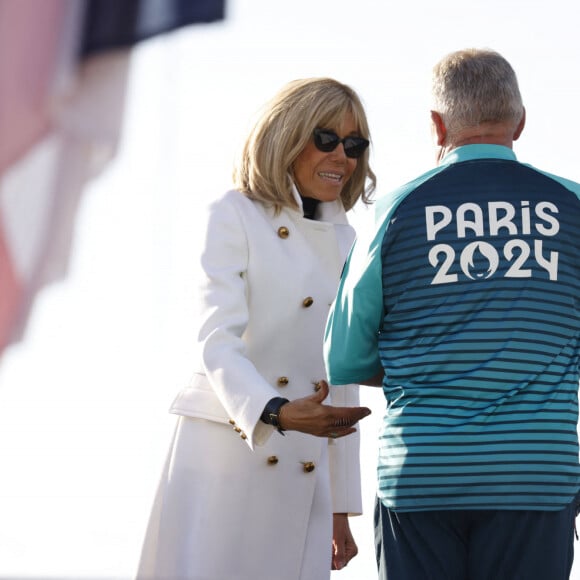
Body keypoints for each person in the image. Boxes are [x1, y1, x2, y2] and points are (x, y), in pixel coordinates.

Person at [324, 48, 580, 580]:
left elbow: (343, 355)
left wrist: (431, 363)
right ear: (521, 121)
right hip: (536, 475)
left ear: (437, 126)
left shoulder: (392, 211)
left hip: (421, 475)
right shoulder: (573, 206)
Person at [136, 77, 376, 580]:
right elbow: (215, 340)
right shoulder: (233, 214)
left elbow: (339, 370)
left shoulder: (345, 237)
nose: (343, 157)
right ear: (286, 136)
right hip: (225, 454)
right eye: (326, 139)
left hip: (305, 469)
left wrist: (341, 505)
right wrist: (276, 411)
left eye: (354, 145)